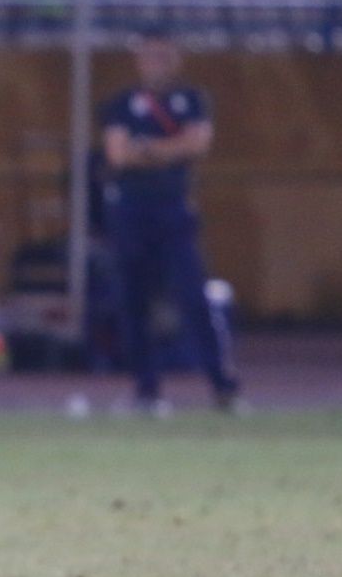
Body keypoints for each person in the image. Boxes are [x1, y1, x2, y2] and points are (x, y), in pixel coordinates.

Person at [99, 31, 241, 415]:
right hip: (131, 212)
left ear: (176, 59)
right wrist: (167, 149)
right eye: (150, 55)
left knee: (193, 296)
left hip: (174, 210)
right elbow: (118, 155)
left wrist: (147, 149)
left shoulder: (192, 100)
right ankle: (147, 390)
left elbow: (197, 144)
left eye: (164, 55)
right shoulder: (122, 104)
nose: (156, 62)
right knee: (133, 302)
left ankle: (222, 386)